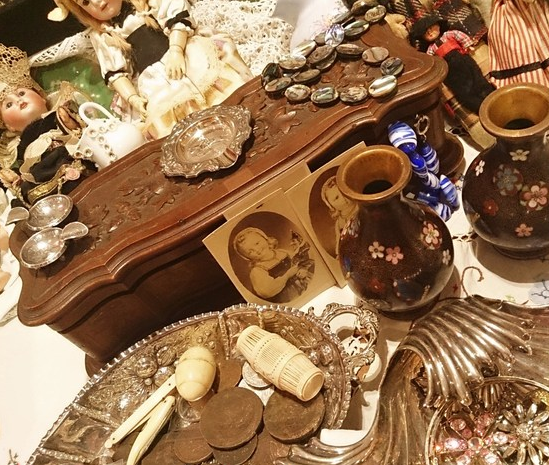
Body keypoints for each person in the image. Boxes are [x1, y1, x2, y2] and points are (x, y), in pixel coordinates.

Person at [50, 0, 254, 140]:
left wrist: (176, 50)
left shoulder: (146, 5)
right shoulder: (104, 35)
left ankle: (239, 110)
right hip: (153, 80)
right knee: (165, 115)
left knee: (209, 81)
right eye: (86, 2)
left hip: (183, 55)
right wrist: (132, 98)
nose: (97, 2)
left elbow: (177, 19)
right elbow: (116, 73)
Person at [0, 43, 95, 206]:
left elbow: (77, 129)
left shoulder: (56, 115)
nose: (18, 100)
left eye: (21, 93)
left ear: (42, 97)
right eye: (9, 104)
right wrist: (14, 179)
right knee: (25, 193)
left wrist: (68, 122)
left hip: (65, 153)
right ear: (9, 127)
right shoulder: (18, 148)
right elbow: (21, 169)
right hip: (39, 175)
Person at [410, 14, 494, 114]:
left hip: (464, 61)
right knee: (464, 91)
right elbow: (432, 61)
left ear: (438, 26)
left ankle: (492, 96)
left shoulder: (448, 35)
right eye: (425, 33)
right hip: (451, 73)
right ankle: (479, 108)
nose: (430, 32)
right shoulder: (431, 49)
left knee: (477, 78)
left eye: (431, 28)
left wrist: (467, 45)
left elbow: (459, 35)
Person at [233, 226, 314, 303]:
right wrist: (287, 276)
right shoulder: (257, 271)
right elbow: (266, 291)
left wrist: (302, 269)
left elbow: (298, 262)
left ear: (265, 238)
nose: (257, 250)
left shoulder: (282, 252)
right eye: (250, 251)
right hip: (286, 298)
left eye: (257, 243)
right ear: (247, 257)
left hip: (304, 288)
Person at [320, 175, 358, 256]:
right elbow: (338, 240)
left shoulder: (360, 206)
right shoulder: (339, 223)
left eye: (344, 193)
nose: (343, 198)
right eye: (336, 198)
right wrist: (339, 253)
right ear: (331, 206)